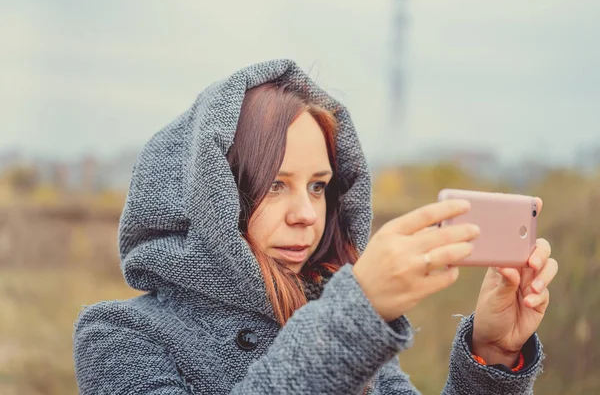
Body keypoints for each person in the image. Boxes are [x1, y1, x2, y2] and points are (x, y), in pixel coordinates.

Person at [73, 59, 558, 394]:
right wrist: (355, 316)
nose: (306, 213)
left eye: (319, 186)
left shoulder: (335, 314)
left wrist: (492, 354)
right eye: (276, 185)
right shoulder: (120, 334)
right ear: (208, 195)